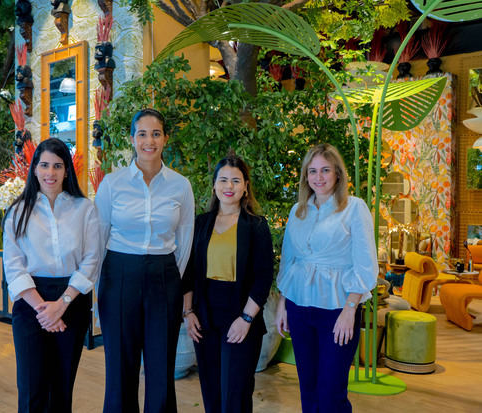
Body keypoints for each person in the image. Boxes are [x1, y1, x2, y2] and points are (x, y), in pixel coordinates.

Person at [95, 108, 195, 413]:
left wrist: (167, 276)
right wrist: (97, 292)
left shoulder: (181, 185)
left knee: (161, 365)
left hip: (163, 277)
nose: (149, 141)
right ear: (132, 138)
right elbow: (99, 240)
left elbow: (185, 240)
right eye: (142, 134)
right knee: (120, 365)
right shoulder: (112, 184)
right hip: (118, 275)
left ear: (165, 138)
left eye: (155, 134)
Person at [274, 143, 378, 413]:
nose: (318, 177)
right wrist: (282, 304)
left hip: (337, 310)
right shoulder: (298, 211)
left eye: (325, 170)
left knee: (331, 392)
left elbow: (365, 264)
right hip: (299, 308)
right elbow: (289, 261)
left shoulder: (354, 208)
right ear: (305, 176)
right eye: (312, 171)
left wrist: (350, 309)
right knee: (308, 389)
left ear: (338, 174)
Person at [3, 138, 101, 412]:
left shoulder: (85, 209)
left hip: (72, 301)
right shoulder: (17, 212)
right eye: (44, 165)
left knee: (62, 387)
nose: (50, 172)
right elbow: (14, 267)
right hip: (30, 304)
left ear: (67, 171)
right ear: (34, 169)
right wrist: (45, 311)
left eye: (58, 166)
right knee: (32, 388)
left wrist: (62, 305)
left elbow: (91, 260)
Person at [182, 154, 274, 413]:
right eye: (223, 180)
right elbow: (188, 272)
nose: (229, 186)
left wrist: (246, 319)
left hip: (241, 313)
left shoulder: (256, 226)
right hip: (205, 315)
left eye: (236, 180)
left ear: (246, 186)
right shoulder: (201, 223)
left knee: (235, 393)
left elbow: (263, 277)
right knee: (211, 391)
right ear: (214, 186)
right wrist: (188, 312)